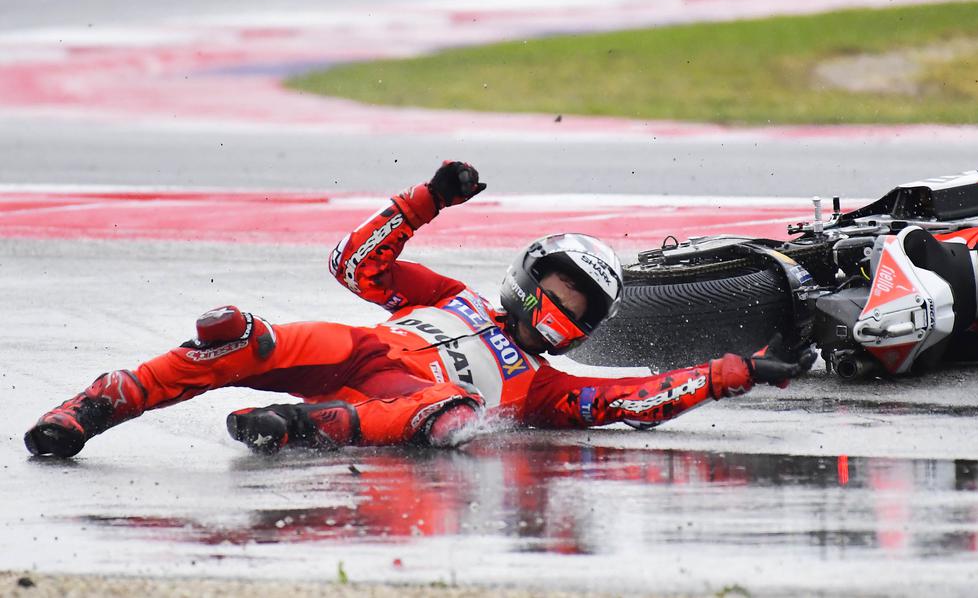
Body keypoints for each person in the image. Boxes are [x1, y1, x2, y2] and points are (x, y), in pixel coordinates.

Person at [25, 161, 813, 458]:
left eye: (579, 306)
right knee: (249, 339)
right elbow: (355, 264)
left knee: (452, 417)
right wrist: (425, 201)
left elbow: (632, 402)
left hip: (416, 402)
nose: (560, 311)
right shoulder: (450, 294)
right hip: (358, 347)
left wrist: (729, 372)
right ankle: (91, 409)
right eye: (559, 288)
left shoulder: (546, 388)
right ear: (527, 275)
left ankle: (302, 429)